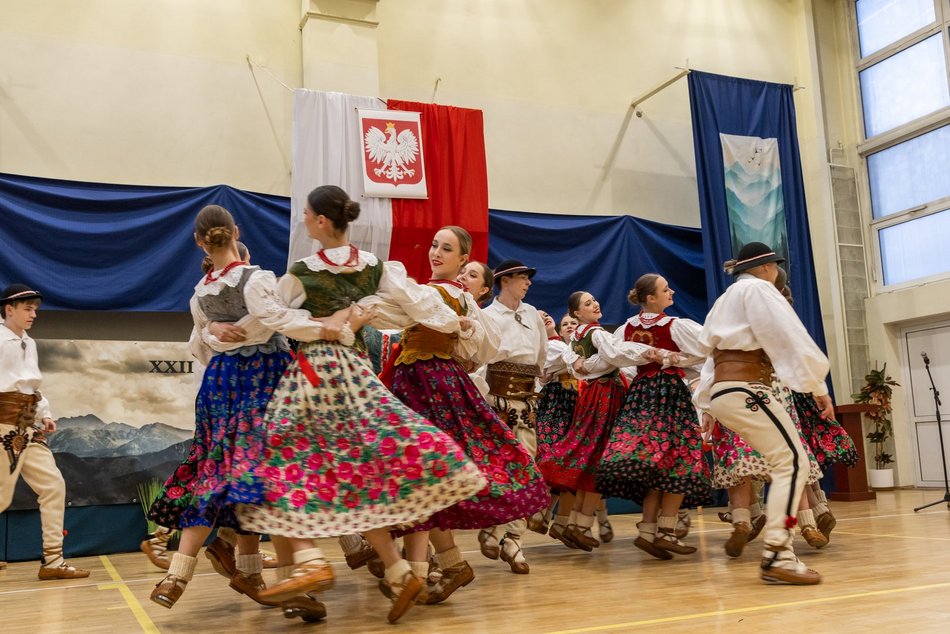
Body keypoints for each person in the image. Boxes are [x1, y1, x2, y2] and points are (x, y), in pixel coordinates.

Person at [233, 187, 486, 624]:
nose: (305, 221)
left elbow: (269, 318)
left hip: (314, 375)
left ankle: (311, 562)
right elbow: (418, 302)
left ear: (322, 222)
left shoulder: (303, 273)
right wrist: (454, 321)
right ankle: (398, 569)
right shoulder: (374, 267)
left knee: (277, 457)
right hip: (355, 373)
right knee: (357, 467)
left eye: (308, 214)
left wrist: (227, 333)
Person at [147, 205, 326, 621]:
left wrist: (214, 332)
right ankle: (291, 578)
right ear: (235, 233)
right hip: (263, 378)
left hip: (221, 384)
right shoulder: (258, 278)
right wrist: (327, 326)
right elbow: (274, 321)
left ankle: (178, 575)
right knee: (271, 477)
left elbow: (201, 348)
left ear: (199, 242)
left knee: (216, 472)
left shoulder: (199, 294)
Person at [389, 228, 548, 598]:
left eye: (447, 249)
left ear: (463, 260)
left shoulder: (440, 293)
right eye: (433, 245)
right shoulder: (434, 292)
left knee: (422, 477)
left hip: (429, 383)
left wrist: (461, 338)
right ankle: (442, 565)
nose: (436, 253)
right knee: (423, 479)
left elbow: (488, 346)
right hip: (416, 381)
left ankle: (420, 569)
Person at [695, 242, 832, 585]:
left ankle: (778, 549)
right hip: (747, 389)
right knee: (795, 463)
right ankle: (777, 553)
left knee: (787, 461)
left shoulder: (725, 299)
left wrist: (706, 402)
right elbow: (788, 334)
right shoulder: (759, 289)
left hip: (728, 392)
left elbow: (708, 354)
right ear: (769, 268)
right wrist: (817, 385)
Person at [595, 274, 711, 560]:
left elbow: (615, 356)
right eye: (665, 289)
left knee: (652, 461)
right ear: (651, 298)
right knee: (679, 458)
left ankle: (648, 529)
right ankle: (666, 531)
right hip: (669, 393)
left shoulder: (625, 328)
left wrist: (668, 359)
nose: (671, 291)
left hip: (642, 394)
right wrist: (675, 360)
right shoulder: (675, 325)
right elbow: (707, 350)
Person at [0, 284, 89, 580]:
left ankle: (52, 561)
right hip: (4, 426)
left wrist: (44, 414)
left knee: (53, 486)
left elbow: (30, 387)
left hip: (27, 426)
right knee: (1, 495)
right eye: (27, 308)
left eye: (35, 309)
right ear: (9, 309)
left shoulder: (28, 342)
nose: (33, 314)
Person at [538, 291, 627, 551]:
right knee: (598, 459)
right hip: (605, 396)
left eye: (595, 300)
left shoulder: (577, 337)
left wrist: (587, 364)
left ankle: (576, 523)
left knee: (589, 459)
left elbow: (579, 365)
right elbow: (617, 356)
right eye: (588, 304)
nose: (595, 304)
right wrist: (654, 353)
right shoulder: (597, 334)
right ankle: (578, 524)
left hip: (591, 395)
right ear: (577, 313)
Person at [476, 259, 548, 574]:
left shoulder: (532, 314)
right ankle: (495, 528)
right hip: (496, 400)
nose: (528, 283)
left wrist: (539, 391)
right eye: (522, 278)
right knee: (498, 470)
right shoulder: (488, 316)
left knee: (527, 468)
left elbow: (542, 356)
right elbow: (480, 360)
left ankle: (511, 537)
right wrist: (483, 402)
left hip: (527, 400)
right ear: (505, 281)